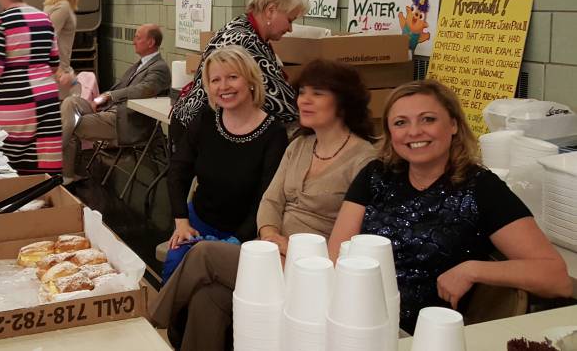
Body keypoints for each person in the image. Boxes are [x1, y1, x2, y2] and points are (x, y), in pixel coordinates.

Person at [152, 59, 378, 350]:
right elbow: (270, 200)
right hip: (269, 251)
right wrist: (270, 236)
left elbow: (349, 239)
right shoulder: (299, 146)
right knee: (208, 296)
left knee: (203, 253)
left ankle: (147, 321)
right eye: (302, 92)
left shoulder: (364, 159)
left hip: (311, 268)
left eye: (318, 93)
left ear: (344, 101)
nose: (305, 100)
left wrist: (289, 248)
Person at [328, 80, 571, 334]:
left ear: (453, 124)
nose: (414, 131)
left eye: (428, 119)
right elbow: (337, 257)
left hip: (427, 335)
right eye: (400, 123)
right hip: (355, 318)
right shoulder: (375, 175)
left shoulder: (481, 188)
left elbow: (556, 277)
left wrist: (473, 270)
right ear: (390, 132)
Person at [163, 46, 289, 281]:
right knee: (175, 266)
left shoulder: (274, 134)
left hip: (246, 232)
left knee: (216, 284)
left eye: (232, 77)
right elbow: (178, 172)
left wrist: (238, 239)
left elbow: (266, 198)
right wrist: (181, 222)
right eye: (215, 80)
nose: (223, 86)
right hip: (199, 222)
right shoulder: (205, 120)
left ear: (250, 80)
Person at [170, 0, 307, 149]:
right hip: (200, 131)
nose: (290, 29)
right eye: (290, 20)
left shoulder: (244, 29)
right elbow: (279, 101)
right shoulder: (245, 41)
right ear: (270, 10)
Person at [59, 23, 170, 185]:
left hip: (126, 120)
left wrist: (109, 95)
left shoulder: (160, 68)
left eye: (138, 37)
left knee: (71, 125)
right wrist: (101, 99)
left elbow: (143, 90)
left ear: (151, 42)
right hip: (111, 111)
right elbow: (122, 90)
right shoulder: (141, 64)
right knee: (70, 102)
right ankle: (62, 164)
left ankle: (62, 166)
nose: (133, 41)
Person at [0, 0, 62, 175]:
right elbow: (54, 65)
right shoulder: (45, 19)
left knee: (8, 165)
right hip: (47, 99)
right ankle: (49, 194)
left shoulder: (0, 22)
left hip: (17, 102)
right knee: (45, 163)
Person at [43, 0, 84, 96]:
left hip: (60, 72)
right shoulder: (63, 7)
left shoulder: (60, 3)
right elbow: (47, 42)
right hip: (58, 76)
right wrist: (60, 73)